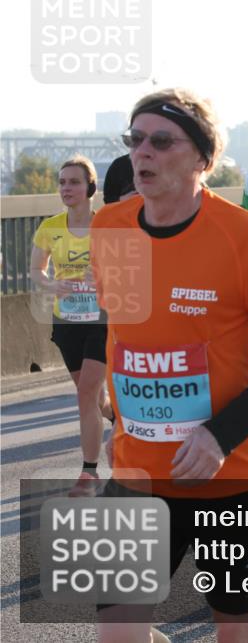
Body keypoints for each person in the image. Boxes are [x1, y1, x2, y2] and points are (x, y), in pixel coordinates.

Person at [92, 88, 248, 642]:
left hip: (231, 475)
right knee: (116, 631)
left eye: (161, 140)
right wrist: (118, 415)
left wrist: (219, 435)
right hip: (137, 474)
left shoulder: (244, 236)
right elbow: (128, 333)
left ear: (202, 158)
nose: (142, 152)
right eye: (135, 139)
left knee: (235, 629)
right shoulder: (109, 228)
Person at [30, 155, 113, 497]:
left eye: (74, 182)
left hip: (102, 319)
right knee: (95, 398)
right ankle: (117, 419)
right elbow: (36, 271)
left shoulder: (107, 224)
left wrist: (103, 279)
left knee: (85, 393)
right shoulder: (50, 227)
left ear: (90, 187)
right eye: (62, 182)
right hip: (66, 321)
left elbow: (129, 268)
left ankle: (89, 472)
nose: (67, 188)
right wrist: (54, 285)